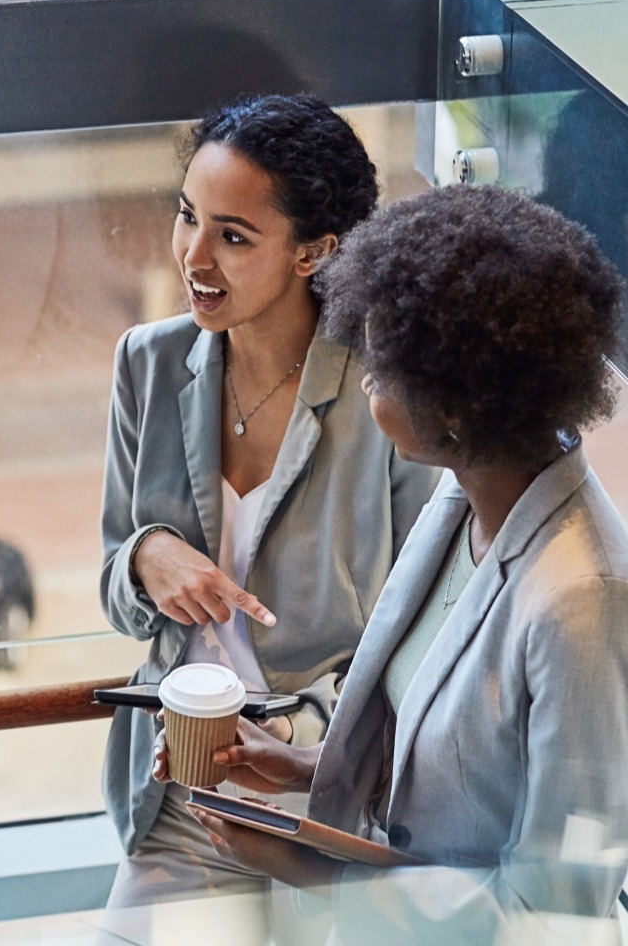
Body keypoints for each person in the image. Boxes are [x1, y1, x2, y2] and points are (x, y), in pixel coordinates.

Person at [187, 184, 628, 943]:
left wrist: (323, 873)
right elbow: (455, 768)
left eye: (384, 368)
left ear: (456, 405)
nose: (364, 380)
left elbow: (554, 913)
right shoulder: (462, 501)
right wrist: (307, 769)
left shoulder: (584, 602)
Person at [100, 93, 440, 917]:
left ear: (314, 252)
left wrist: (295, 734)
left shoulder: (387, 393)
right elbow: (115, 595)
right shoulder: (148, 361)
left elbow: (420, 639)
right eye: (189, 217)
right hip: (184, 792)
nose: (194, 256)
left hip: (332, 798)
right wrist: (146, 556)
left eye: (234, 236)